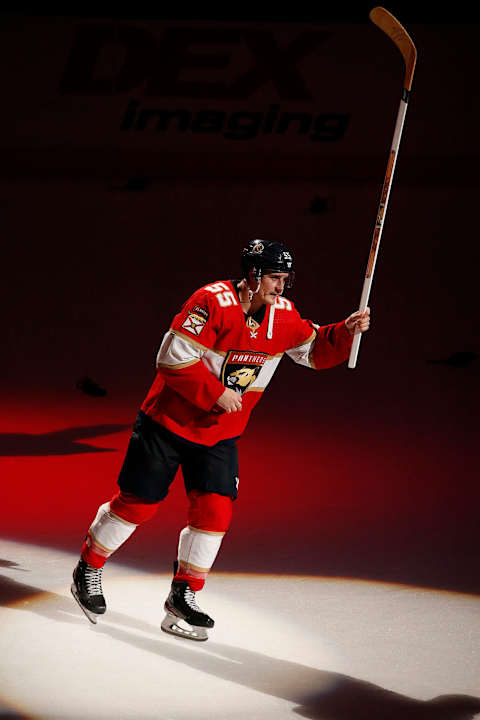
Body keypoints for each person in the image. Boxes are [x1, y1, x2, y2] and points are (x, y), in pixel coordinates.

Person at [71, 239, 370, 640]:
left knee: (214, 515)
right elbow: (172, 357)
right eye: (275, 279)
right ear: (253, 275)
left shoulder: (283, 316)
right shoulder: (210, 300)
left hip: (219, 436)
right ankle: (88, 567)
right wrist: (216, 393)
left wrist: (345, 332)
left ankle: (184, 595)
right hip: (167, 424)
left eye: (285, 279)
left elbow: (313, 350)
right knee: (137, 507)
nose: (281, 288)